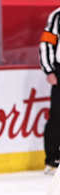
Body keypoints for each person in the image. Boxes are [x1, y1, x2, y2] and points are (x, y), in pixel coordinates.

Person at [39, 7, 60, 175]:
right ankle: (53, 159)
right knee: (58, 115)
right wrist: (49, 70)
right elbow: (46, 43)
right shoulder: (57, 16)